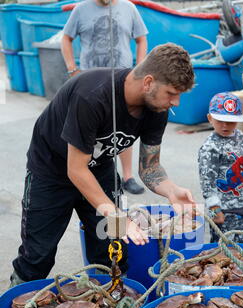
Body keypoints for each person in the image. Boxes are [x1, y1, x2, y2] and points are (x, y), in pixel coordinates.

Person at [10, 43, 195, 286]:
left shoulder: (156, 108)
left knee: (112, 249)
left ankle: (111, 307)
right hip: (51, 171)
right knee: (38, 255)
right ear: (148, 82)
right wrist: (117, 216)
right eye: (172, 93)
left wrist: (171, 190)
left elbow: (150, 168)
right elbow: (75, 169)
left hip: (100, 171)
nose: (176, 103)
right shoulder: (92, 95)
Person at [61, 0, 148, 194]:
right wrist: (72, 69)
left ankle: (128, 177)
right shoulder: (80, 9)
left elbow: (141, 38)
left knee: (123, 128)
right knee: (88, 130)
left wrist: (140, 68)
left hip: (124, 82)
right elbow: (66, 38)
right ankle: (86, 173)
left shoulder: (129, 8)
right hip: (89, 86)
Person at [198, 92, 243, 244]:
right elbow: (207, 181)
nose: (225, 126)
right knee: (223, 248)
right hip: (223, 209)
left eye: (230, 122)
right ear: (210, 118)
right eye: (220, 121)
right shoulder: (210, 147)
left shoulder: (239, 136)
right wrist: (214, 208)